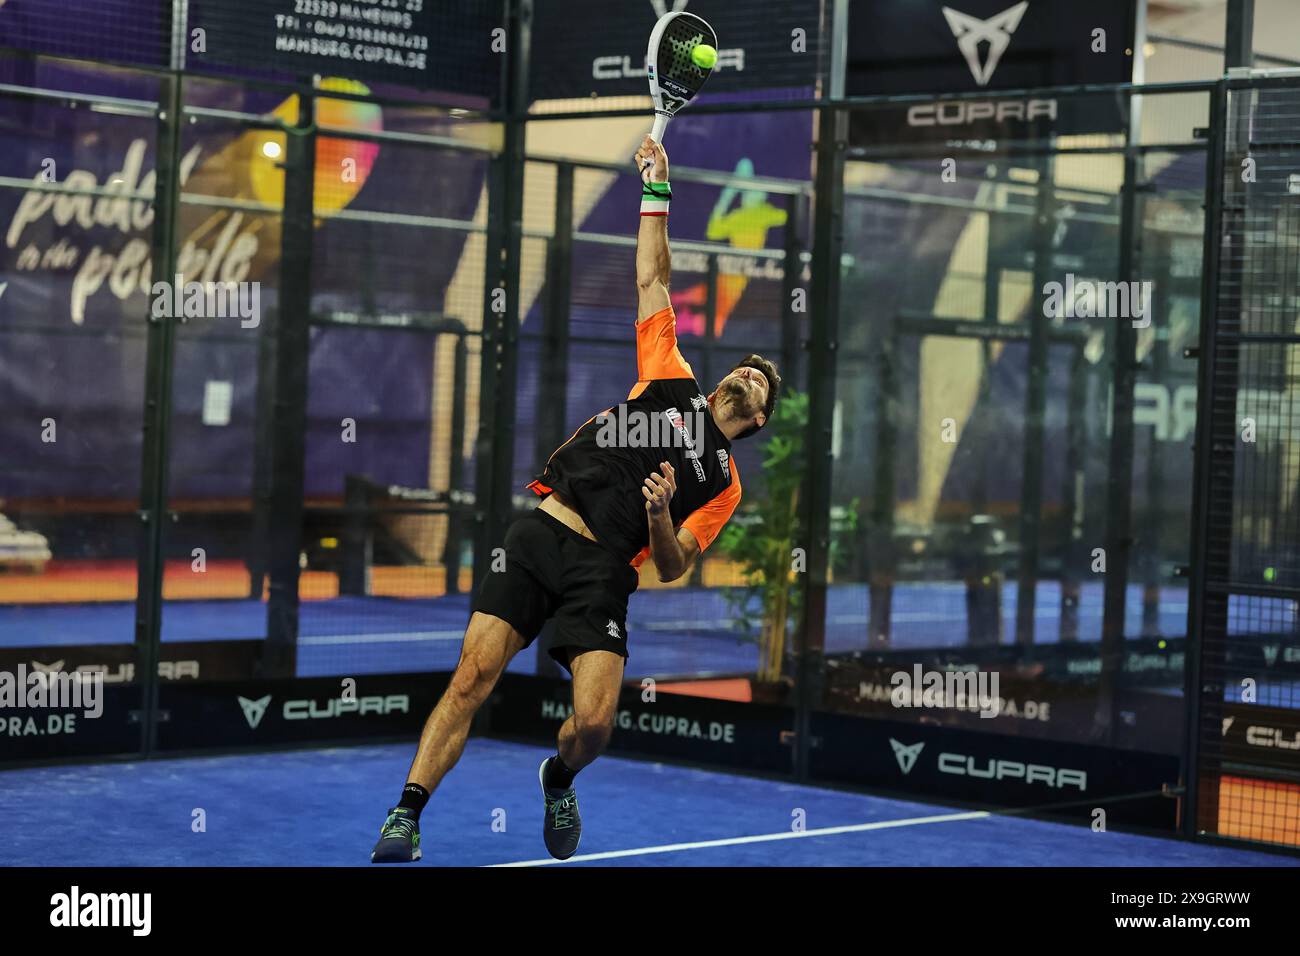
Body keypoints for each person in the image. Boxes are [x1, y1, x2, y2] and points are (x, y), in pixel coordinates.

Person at [371, 135, 780, 863]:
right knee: (472, 677)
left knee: (593, 726)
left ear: (756, 420)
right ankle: (407, 814)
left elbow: (677, 563)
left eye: (758, 386)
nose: (745, 377)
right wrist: (657, 190)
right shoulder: (671, 379)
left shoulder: (724, 484)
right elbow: (652, 277)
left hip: (602, 574)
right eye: (744, 371)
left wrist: (658, 518)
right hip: (539, 534)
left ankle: (558, 777)